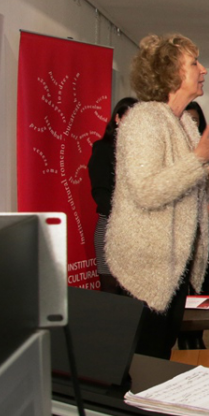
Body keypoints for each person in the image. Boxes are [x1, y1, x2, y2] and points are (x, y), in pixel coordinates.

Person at [105, 34, 209, 359]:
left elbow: (190, 190)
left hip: (175, 266)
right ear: (170, 72)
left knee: (161, 355)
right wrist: (198, 159)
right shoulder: (143, 120)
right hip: (146, 268)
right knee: (142, 362)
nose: (203, 70)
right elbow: (147, 191)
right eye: (194, 63)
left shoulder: (185, 125)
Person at [87, 97, 137, 295]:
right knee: (111, 291)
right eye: (129, 118)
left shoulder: (142, 153)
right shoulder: (103, 149)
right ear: (117, 118)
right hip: (110, 226)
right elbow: (100, 192)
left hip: (138, 231)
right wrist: (123, 216)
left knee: (133, 293)